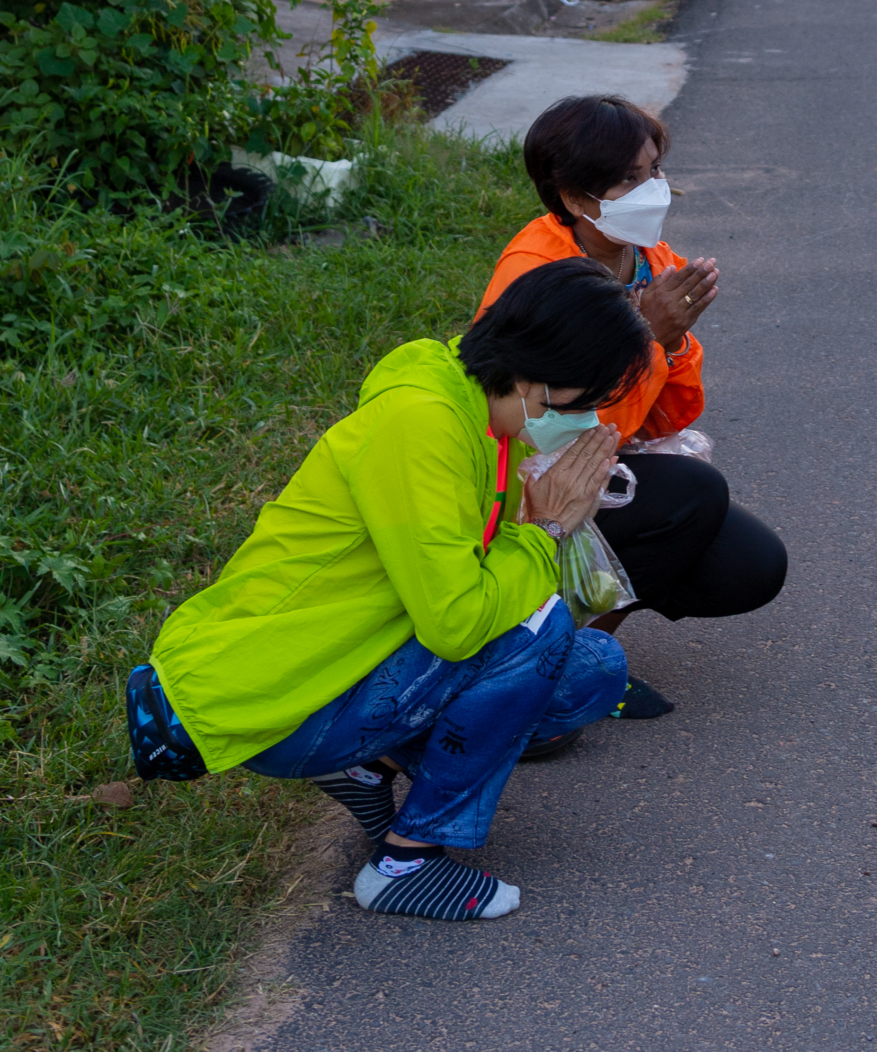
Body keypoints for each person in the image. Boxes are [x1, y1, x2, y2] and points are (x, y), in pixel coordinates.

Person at [126, 262, 655, 921]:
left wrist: (534, 522)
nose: (574, 420)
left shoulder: (482, 418)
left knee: (592, 670)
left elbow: (470, 584)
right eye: (566, 404)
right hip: (266, 696)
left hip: (342, 664)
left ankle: (363, 767)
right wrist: (545, 530)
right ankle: (407, 862)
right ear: (536, 371)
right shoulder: (421, 424)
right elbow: (459, 624)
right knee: (539, 632)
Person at [480, 94, 787, 710]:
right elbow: (556, 431)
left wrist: (667, 345)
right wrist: (649, 339)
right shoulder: (540, 276)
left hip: (593, 464)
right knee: (690, 495)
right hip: (519, 488)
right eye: (630, 179)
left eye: (655, 171)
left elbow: (674, 415)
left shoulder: (647, 260)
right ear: (573, 198)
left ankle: (579, 655)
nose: (654, 189)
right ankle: (541, 683)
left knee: (749, 564)